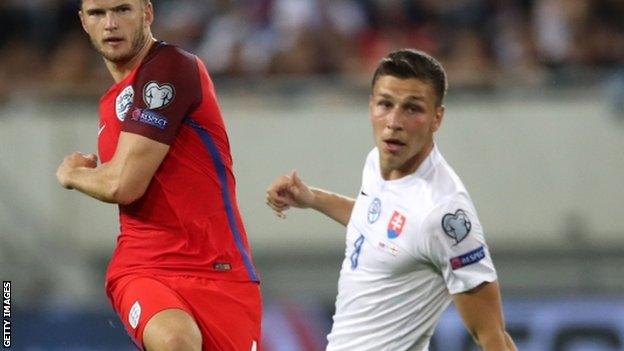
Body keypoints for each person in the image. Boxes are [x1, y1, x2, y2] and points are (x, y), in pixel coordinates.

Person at [266, 49, 517, 351]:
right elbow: (379, 221)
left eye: (412, 109)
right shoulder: (377, 161)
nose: (394, 121)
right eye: (386, 104)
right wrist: (313, 198)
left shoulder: (444, 213)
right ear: (371, 105)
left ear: (437, 118)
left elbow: (491, 335)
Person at [55, 1, 261, 350]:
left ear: (147, 13)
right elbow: (126, 185)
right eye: (97, 14)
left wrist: (71, 174)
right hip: (147, 268)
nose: (110, 24)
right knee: (177, 342)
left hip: (224, 274)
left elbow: (121, 182)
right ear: (83, 22)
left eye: (122, 9)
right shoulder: (110, 101)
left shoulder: (171, 67)